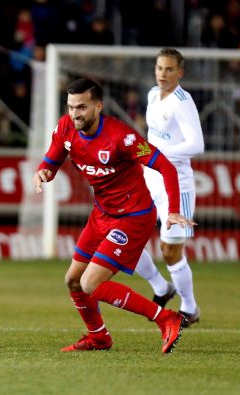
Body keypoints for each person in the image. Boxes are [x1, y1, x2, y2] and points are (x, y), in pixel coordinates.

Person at [33, 78, 196, 353]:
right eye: (71, 107)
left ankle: (167, 318)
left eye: (82, 107)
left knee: (90, 283)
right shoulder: (65, 128)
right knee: (73, 280)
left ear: (98, 106)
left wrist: (174, 210)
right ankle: (98, 337)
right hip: (102, 214)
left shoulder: (123, 137)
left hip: (134, 216)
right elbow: (51, 161)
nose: (75, 114)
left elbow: (165, 166)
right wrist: (43, 173)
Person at [134, 48, 205, 328]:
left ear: (180, 73)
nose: (162, 74)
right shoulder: (153, 95)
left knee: (170, 251)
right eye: (159, 68)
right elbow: (151, 137)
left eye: (169, 69)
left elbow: (196, 144)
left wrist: (162, 155)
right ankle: (161, 286)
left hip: (177, 183)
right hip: (148, 178)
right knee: (126, 235)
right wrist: (139, 153)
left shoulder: (182, 102)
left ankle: (190, 308)